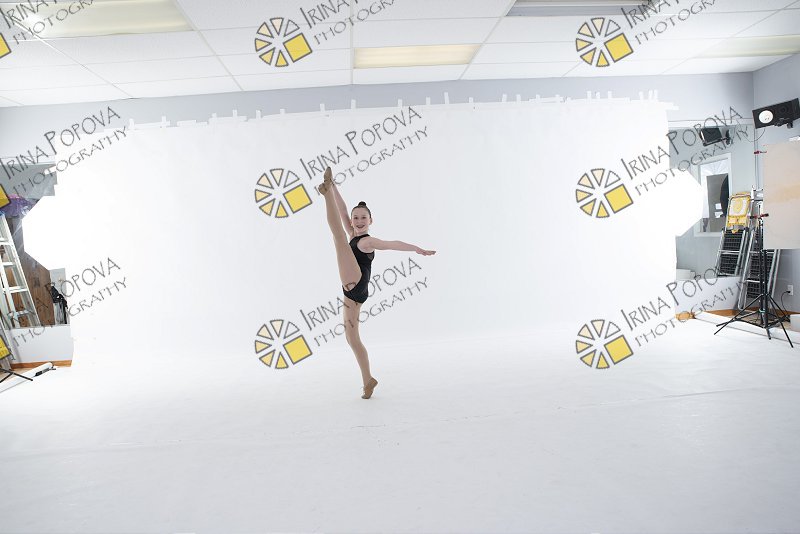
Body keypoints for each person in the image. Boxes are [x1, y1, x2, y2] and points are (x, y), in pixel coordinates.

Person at [317, 167, 436, 399]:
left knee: (338, 239)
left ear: (371, 220)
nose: (359, 221)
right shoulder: (353, 233)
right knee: (352, 339)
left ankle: (324, 194)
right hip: (353, 293)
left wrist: (416, 249)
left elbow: (392, 244)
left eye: (364, 218)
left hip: (356, 282)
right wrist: (334, 184)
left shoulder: (368, 241)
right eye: (356, 218)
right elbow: (342, 209)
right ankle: (368, 381)